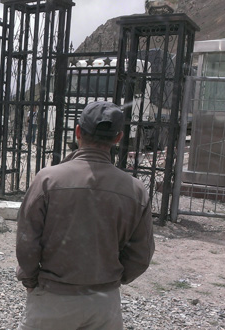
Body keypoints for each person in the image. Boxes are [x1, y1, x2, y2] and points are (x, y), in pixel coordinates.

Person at [15, 101, 155, 330]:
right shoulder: (135, 190)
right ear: (118, 138)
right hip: (104, 304)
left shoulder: (47, 180)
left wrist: (30, 280)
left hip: (52, 299)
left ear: (78, 132)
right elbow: (141, 254)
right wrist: (111, 280)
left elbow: (27, 241)